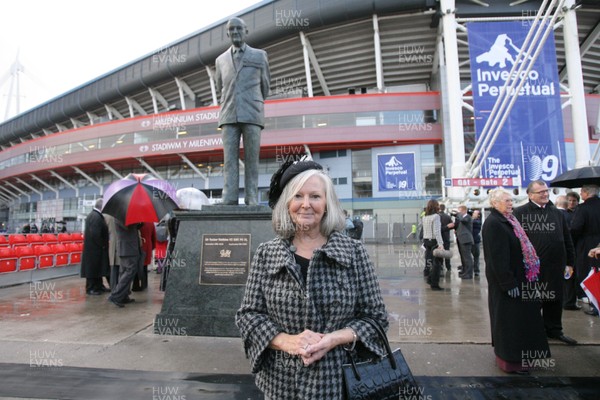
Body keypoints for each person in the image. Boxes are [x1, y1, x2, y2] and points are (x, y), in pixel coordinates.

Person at [236, 160, 388, 399]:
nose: (306, 204)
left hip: (339, 383)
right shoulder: (267, 254)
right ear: (288, 204)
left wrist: (333, 339)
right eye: (298, 196)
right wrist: (286, 341)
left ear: (327, 204)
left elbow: (376, 318)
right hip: (281, 384)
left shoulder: (354, 253)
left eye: (315, 196)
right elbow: (248, 315)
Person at [482, 188, 550, 374]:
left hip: (521, 280)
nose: (511, 203)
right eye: (507, 201)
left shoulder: (509, 220)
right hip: (508, 284)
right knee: (510, 323)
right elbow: (496, 258)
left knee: (521, 322)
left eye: (511, 200)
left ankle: (523, 358)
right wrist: (508, 283)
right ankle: (512, 360)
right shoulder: (494, 223)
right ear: (495, 203)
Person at [513, 180, 577, 345]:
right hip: (532, 268)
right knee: (533, 301)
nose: (545, 194)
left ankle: (554, 330)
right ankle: (532, 333)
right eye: (540, 191)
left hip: (556, 265)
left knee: (555, 298)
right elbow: (515, 241)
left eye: (546, 190)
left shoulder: (557, 213)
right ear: (530, 194)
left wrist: (570, 262)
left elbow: (567, 239)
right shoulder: (520, 213)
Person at [215, 17, 270, 206]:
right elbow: (219, 87)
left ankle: (251, 197)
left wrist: (253, 101)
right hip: (229, 114)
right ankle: (229, 197)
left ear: (246, 31)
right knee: (229, 159)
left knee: (252, 159)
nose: (236, 32)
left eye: (239, 28)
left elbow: (265, 87)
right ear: (227, 33)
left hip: (252, 113)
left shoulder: (259, 55)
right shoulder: (220, 60)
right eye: (232, 29)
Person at [570, 184, 600, 316]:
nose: (580, 195)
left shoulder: (582, 208)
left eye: (581, 192)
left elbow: (576, 228)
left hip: (587, 245)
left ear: (587, 193)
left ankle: (595, 305)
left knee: (589, 274)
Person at [107, 220, 142, 308]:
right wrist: (137, 222)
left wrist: (140, 222)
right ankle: (116, 295)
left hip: (128, 248)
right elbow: (128, 226)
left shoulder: (125, 215)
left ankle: (123, 296)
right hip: (128, 248)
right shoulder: (120, 216)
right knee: (130, 271)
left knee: (124, 272)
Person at [80, 199, 110, 295]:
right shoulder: (96, 217)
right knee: (92, 269)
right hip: (94, 249)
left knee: (97, 268)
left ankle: (99, 286)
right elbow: (95, 234)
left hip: (95, 249)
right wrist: (103, 244)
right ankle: (91, 288)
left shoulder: (94, 215)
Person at [556, 195, 579, 311]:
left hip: (556, 252)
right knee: (569, 277)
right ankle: (569, 301)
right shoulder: (571, 217)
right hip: (569, 251)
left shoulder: (553, 215)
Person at [421, 199, 445, 290]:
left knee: (430, 261)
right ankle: (434, 284)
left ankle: (430, 279)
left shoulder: (425, 217)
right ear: (436, 206)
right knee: (437, 264)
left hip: (427, 241)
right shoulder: (436, 216)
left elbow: (424, 231)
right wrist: (441, 243)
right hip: (434, 241)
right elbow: (437, 231)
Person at [451, 205, 474, 279]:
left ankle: (469, 273)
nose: (459, 213)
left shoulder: (468, 217)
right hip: (461, 239)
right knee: (464, 257)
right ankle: (465, 271)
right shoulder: (462, 218)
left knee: (467, 258)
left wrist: (458, 214)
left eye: (460, 211)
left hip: (466, 239)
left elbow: (464, 221)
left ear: (464, 211)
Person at [132, 222, 156, 291]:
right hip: (147, 247)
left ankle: (135, 285)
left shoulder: (134, 223)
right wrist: (152, 247)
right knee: (144, 267)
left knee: (135, 267)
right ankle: (144, 284)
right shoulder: (150, 223)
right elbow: (154, 237)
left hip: (136, 247)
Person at [104, 213, 120, 290]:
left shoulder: (106, 217)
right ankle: (116, 289)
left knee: (113, 269)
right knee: (117, 270)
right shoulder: (118, 216)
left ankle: (114, 288)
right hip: (117, 246)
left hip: (112, 247)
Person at [438, 204, 453, 271]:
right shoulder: (448, 217)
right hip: (446, 236)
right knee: (447, 252)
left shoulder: (437, 216)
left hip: (439, 237)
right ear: (444, 208)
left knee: (440, 252)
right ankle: (448, 266)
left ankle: (441, 266)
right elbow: (452, 225)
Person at [471, 209, 482, 277]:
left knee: (476, 256)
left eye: (475, 213)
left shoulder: (477, 221)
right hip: (470, 241)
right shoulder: (472, 220)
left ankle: (476, 271)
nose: (473, 214)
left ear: (478, 215)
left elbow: (473, 222)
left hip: (475, 241)